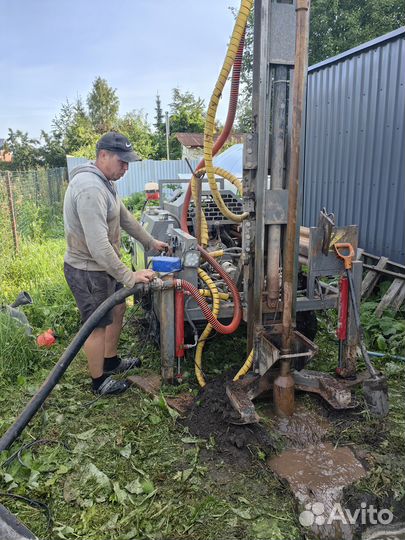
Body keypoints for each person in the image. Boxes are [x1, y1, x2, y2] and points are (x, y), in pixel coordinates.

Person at [63, 131, 169, 395]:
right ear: (103, 156)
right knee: (97, 323)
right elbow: (98, 246)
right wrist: (130, 276)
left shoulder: (106, 183)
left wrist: (150, 242)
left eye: (128, 162)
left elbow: (124, 217)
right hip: (88, 270)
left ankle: (110, 361)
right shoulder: (90, 188)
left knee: (118, 308)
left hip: (103, 266)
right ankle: (99, 382)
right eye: (122, 162)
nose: (126, 167)